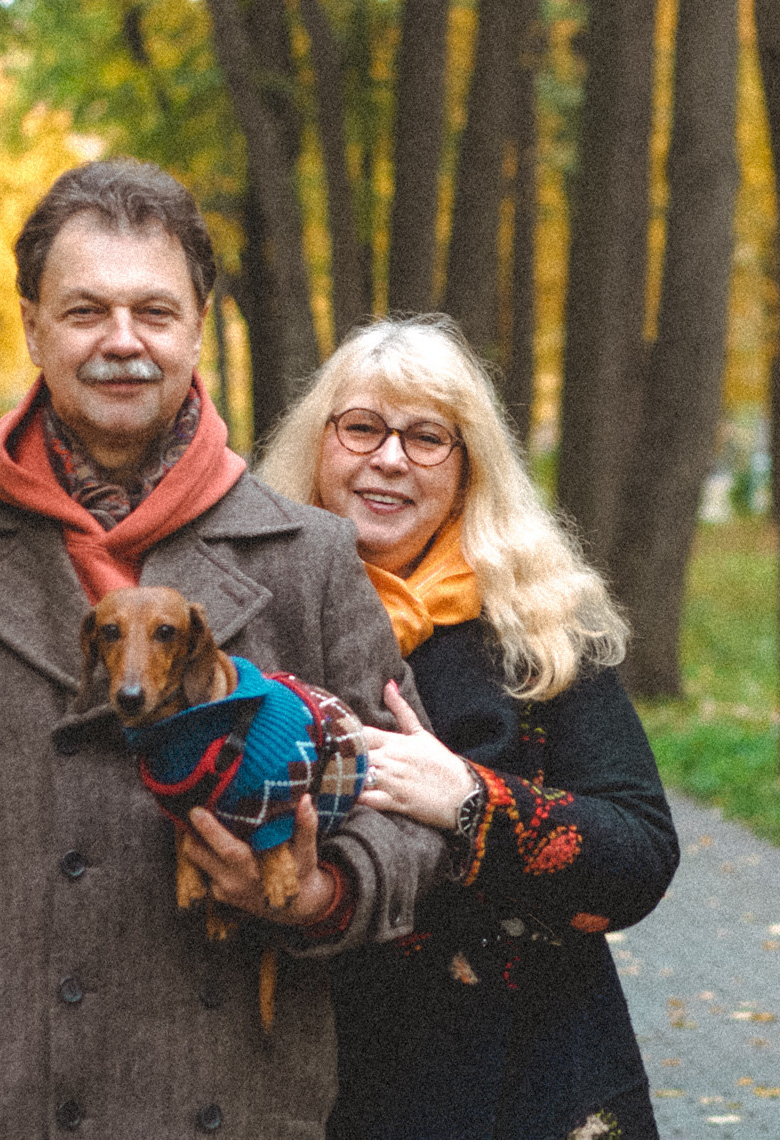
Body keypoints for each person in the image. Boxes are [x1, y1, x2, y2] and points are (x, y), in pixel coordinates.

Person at [0, 160, 447, 1139]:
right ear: (32, 326)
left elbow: (408, 800)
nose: (123, 342)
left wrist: (322, 892)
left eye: (154, 311)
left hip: (245, 1099)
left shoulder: (307, 554)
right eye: (86, 310)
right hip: (1, 1102)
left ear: (197, 326)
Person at [256, 317, 680, 1140]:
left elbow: (641, 854)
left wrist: (468, 800)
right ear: (319, 443)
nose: (389, 458)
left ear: (467, 468)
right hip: (311, 1086)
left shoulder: (541, 624)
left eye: (427, 438)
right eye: (363, 428)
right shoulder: (253, 613)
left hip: (524, 1080)